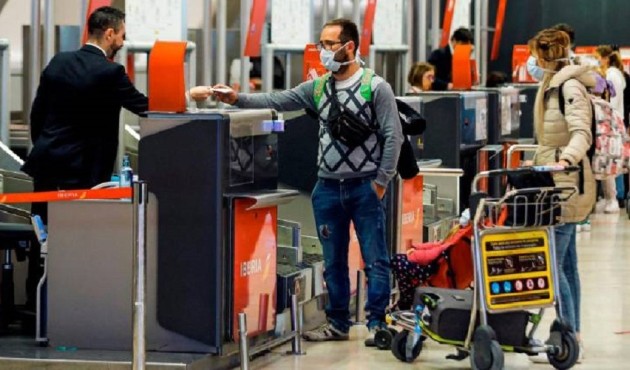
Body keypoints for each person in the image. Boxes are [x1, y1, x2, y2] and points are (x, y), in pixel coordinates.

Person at [210, 18, 403, 347]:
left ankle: (376, 323)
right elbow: (277, 100)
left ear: (349, 47)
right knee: (333, 260)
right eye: (322, 44)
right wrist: (235, 99)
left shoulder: (375, 87)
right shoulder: (318, 88)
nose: (323, 51)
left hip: (364, 187)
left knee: (376, 258)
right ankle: (338, 321)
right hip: (326, 189)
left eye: (329, 44)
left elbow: (393, 136)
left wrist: (380, 183)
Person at [21, 6, 206, 310]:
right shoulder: (110, 72)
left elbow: (37, 115)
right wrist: (189, 96)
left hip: (47, 165)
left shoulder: (58, 62)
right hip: (84, 172)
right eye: (121, 35)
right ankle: (73, 308)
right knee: (80, 240)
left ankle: (35, 304)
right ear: (109, 33)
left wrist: (46, 147)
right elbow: (147, 107)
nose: (122, 42)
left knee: (42, 236)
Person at [528, 28, 596, 363]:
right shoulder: (554, 83)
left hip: (566, 186)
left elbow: (581, 131)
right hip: (560, 182)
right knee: (567, 266)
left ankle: (568, 339)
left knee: (553, 267)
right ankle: (573, 335)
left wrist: (564, 160)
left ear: (544, 56)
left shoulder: (567, 86)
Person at [595, 45, 626, 213]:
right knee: (609, 163)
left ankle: (614, 198)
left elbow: (612, 99)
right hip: (611, 122)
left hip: (610, 123)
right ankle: (611, 198)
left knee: (610, 164)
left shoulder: (612, 75)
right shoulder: (615, 74)